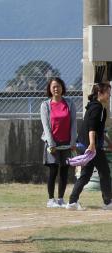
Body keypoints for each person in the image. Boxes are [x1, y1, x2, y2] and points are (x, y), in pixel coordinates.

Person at [67, 82, 112, 211]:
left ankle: (72, 202)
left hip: (88, 145)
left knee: (86, 175)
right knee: (104, 172)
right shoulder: (97, 107)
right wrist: (92, 144)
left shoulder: (98, 107)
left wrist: (108, 142)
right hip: (91, 147)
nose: (109, 95)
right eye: (108, 92)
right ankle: (108, 202)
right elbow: (91, 127)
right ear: (99, 93)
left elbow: (98, 129)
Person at [40, 77, 77, 208]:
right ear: (50, 89)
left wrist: (73, 141)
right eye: (53, 86)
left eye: (59, 86)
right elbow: (46, 126)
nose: (56, 89)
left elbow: (73, 124)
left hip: (66, 143)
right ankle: (51, 199)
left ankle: (61, 199)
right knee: (53, 170)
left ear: (62, 88)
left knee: (64, 171)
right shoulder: (45, 105)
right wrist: (51, 144)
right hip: (52, 144)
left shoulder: (70, 103)